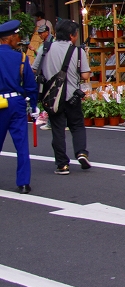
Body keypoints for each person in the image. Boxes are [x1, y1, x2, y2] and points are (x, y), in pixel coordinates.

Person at [32, 20, 91, 175]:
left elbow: (34, 69)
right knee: (77, 125)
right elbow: (85, 74)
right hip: (72, 96)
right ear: (72, 35)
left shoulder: (45, 48)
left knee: (57, 129)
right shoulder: (78, 51)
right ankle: (81, 153)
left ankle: (62, 165)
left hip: (51, 97)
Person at [0, 20, 37, 193]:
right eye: (17, 36)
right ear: (10, 38)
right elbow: (30, 85)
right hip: (16, 102)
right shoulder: (21, 57)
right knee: (21, 144)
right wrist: (34, 104)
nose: (19, 39)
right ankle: (23, 183)